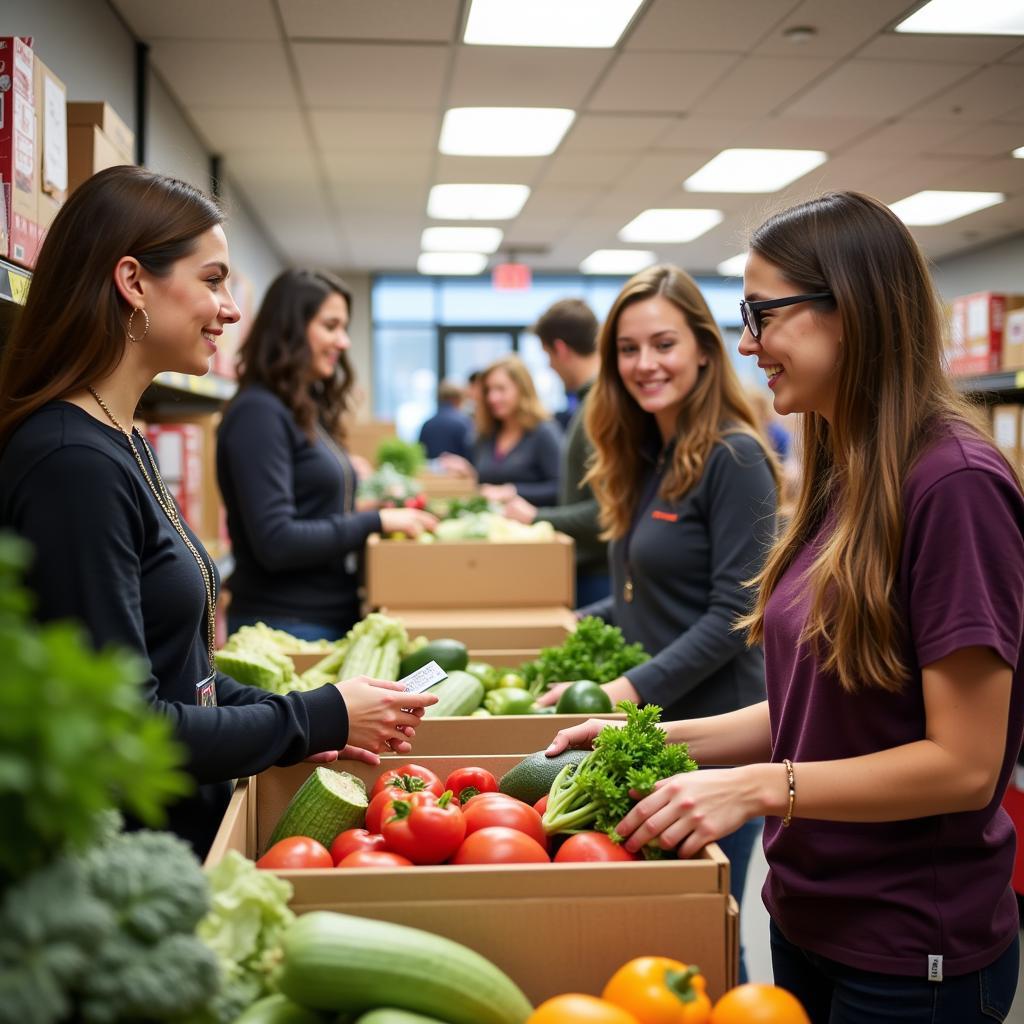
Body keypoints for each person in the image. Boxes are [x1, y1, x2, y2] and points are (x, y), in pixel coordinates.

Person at [547, 193, 1024, 1023]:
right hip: (809, 918)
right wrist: (651, 735)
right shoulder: (846, 471)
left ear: (855, 308)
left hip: (909, 948)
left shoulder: (955, 486)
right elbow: (820, 711)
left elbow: (965, 763)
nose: (747, 344)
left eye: (763, 315)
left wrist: (763, 789)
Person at [0, 166, 437, 858]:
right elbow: (126, 730)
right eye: (213, 280)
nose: (231, 308)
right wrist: (310, 715)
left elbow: (184, 674)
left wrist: (303, 722)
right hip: (130, 862)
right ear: (133, 282)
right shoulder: (70, 465)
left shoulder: (121, 440)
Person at [537, 264, 778, 979]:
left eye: (664, 344)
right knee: (651, 925)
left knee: (698, 928)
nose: (646, 365)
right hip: (648, 735)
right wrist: (577, 627)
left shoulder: (735, 457)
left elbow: (736, 614)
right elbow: (643, 590)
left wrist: (624, 691)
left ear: (705, 349)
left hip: (713, 738)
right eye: (629, 349)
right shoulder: (646, 453)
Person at [217, 269, 436, 641]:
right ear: (290, 328)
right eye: (331, 326)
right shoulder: (259, 414)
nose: (344, 341)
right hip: (286, 624)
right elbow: (277, 540)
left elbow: (309, 512)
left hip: (321, 614)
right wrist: (375, 522)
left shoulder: (299, 409)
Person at [502, 298, 610, 605]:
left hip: (598, 577)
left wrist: (536, 516)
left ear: (560, 349)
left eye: (547, 355)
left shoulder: (598, 409)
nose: (550, 365)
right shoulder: (591, 403)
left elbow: (606, 511)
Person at [443, 354, 562, 507]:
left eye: (501, 389)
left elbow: (559, 488)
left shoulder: (543, 432)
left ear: (522, 389)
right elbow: (490, 483)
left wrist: (511, 491)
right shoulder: (486, 435)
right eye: (488, 391)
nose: (492, 398)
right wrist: (471, 475)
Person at [418, 378, 474, 460]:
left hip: (431, 472)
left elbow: (421, 455)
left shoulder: (426, 425)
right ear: (457, 399)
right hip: (458, 472)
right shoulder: (464, 423)